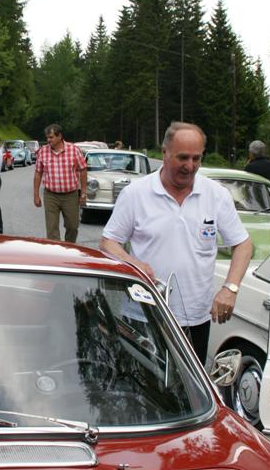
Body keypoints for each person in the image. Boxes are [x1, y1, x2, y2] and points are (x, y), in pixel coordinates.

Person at [99, 122, 253, 363]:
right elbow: (109, 242)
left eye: (196, 158)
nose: (189, 166)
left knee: (190, 396)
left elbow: (243, 245)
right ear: (164, 153)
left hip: (195, 319)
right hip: (144, 313)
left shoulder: (216, 194)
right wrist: (132, 263)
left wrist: (230, 288)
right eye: (182, 157)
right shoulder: (136, 194)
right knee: (144, 389)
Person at [33, 124, 88, 242]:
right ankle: (56, 255)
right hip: (51, 195)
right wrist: (36, 195)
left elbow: (83, 170)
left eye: (51, 137)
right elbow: (38, 173)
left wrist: (83, 193)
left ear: (60, 136)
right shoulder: (43, 152)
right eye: (47, 137)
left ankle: (69, 250)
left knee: (72, 227)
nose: (48, 140)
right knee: (52, 229)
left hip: (70, 195)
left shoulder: (74, 150)